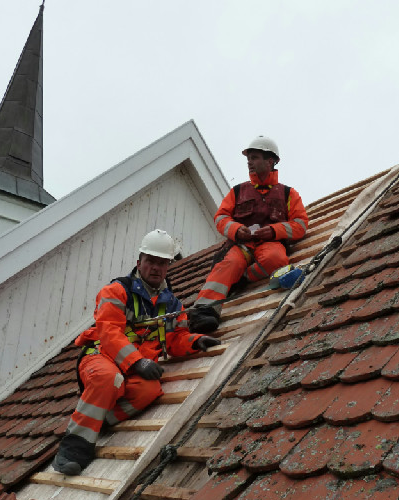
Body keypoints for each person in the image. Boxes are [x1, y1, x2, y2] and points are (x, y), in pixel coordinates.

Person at [53, 229, 220, 475]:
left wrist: (195, 342)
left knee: (149, 390)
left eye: (162, 263)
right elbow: (109, 331)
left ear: (168, 266)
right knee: (107, 379)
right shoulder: (116, 291)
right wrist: (137, 361)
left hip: (134, 365)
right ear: (139, 262)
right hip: (101, 356)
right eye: (151, 261)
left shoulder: (173, 304)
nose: (156, 267)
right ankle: (74, 446)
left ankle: (98, 421)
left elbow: (176, 340)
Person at [188, 136, 309, 333]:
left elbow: (301, 224)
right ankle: (204, 311)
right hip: (242, 245)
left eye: (254, 157)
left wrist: (273, 230)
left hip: (270, 243)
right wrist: (236, 230)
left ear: (270, 161)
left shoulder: (288, 194)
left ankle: (241, 278)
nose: (249, 162)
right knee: (229, 264)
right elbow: (220, 218)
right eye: (248, 159)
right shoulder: (237, 191)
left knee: (277, 260)